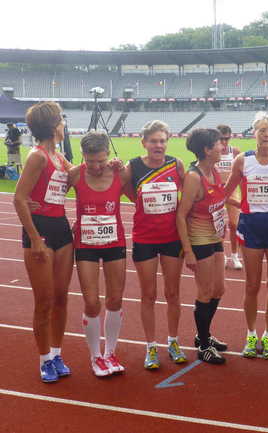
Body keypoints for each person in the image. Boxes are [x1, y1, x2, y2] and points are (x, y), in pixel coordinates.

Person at [224, 112, 268, 360]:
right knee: (252, 284)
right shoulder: (242, 161)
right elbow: (226, 193)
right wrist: (243, 206)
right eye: (261, 130)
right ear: (254, 133)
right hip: (250, 227)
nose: (266, 134)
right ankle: (251, 334)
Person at [13, 102, 74, 382]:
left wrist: (108, 165)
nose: (64, 124)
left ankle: (57, 354)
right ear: (52, 125)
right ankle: (44, 359)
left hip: (62, 229)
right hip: (41, 232)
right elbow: (19, 198)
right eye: (61, 120)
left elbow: (76, 178)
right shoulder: (37, 156)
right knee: (45, 301)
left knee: (61, 298)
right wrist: (36, 239)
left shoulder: (60, 157)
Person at [124, 120, 187, 369]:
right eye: (153, 141)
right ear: (144, 143)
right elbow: (119, 188)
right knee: (148, 295)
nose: (158, 145)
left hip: (172, 238)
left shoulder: (176, 164)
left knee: (173, 293)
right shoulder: (133, 166)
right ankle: (151, 346)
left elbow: (190, 193)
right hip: (145, 239)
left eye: (162, 141)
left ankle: (173, 341)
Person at [69, 131, 129, 376]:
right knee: (92, 302)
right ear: (83, 155)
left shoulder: (120, 173)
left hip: (115, 243)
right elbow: (51, 198)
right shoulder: (75, 174)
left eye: (101, 161)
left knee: (115, 299)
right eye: (90, 161)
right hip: (86, 245)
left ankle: (110, 353)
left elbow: (139, 198)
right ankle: (95, 357)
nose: (95, 166)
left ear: (109, 154)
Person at [176, 128, 230, 365]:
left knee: (219, 289)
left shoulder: (214, 170)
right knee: (205, 292)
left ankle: (203, 335)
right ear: (207, 150)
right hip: (199, 241)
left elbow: (220, 200)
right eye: (219, 143)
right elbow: (181, 215)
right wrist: (188, 251)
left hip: (215, 238)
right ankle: (204, 345)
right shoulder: (194, 177)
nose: (223, 146)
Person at [214, 124, 242, 270]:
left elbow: (242, 174)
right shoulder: (212, 152)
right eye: (221, 139)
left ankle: (235, 255)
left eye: (227, 138)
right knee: (218, 226)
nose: (224, 142)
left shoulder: (235, 152)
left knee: (234, 224)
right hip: (216, 192)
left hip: (232, 191)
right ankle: (222, 255)